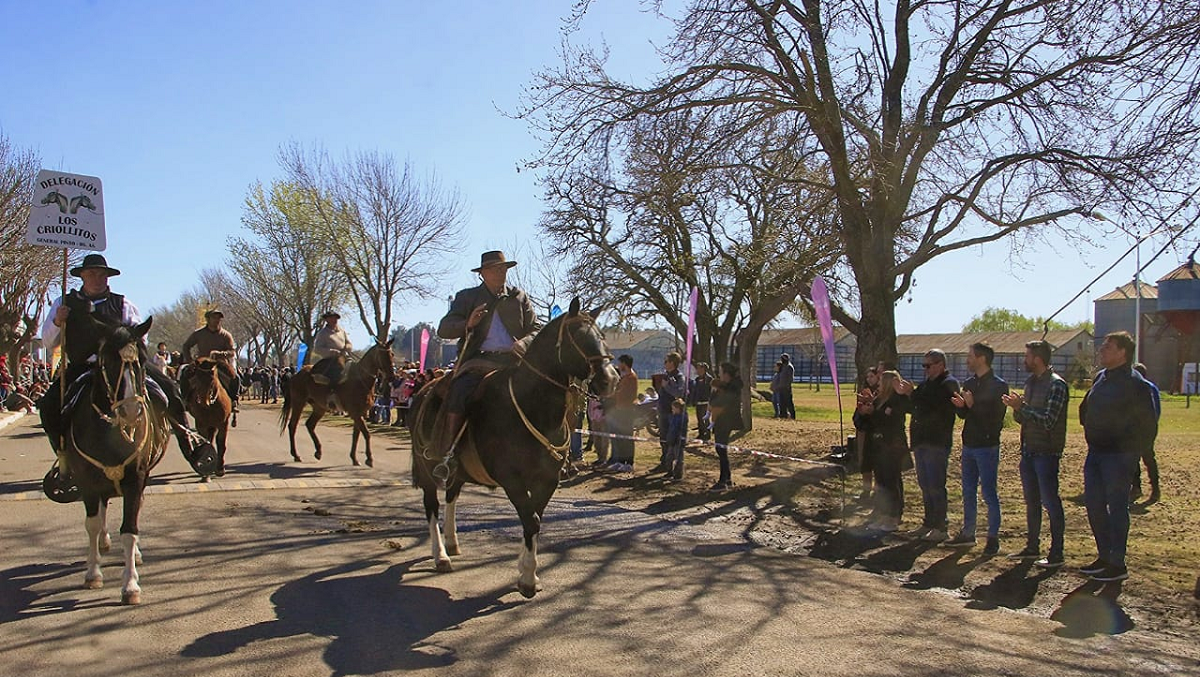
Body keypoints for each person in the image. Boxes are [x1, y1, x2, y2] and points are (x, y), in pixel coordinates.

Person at [37, 254, 202, 466]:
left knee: (168, 391)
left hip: (121, 365)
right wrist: (58, 321)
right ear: (83, 277)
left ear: (108, 277)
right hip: (82, 367)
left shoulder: (123, 304)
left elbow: (140, 336)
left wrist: (125, 344)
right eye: (91, 274)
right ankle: (64, 457)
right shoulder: (64, 303)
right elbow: (49, 342)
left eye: (102, 275)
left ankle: (188, 441)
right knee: (49, 405)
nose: (97, 278)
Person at [432, 250, 540, 482]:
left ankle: (548, 453)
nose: (501, 273)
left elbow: (536, 328)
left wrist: (524, 342)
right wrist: (467, 323)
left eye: (504, 269)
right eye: (496, 269)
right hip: (478, 360)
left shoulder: (519, 297)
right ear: (483, 274)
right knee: (460, 391)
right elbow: (444, 328)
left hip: (514, 361)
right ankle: (449, 453)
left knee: (543, 392)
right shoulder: (467, 297)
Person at [1077, 332, 1158, 582]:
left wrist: (1132, 455)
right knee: (1094, 505)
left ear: (1123, 352)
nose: (1102, 350)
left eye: (1107, 347)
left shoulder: (1136, 384)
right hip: (1096, 453)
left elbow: (1148, 424)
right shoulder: (1101, 378)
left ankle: (1117, 562)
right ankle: (1104, 556)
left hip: (1119, 456)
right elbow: (1085, 408)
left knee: (1117, 508)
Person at [1002, 340, 1070, 569]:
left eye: (1027, 356)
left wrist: (1023, 408)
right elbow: (1024, 418)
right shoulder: (1031, 382)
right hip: (1029, 450)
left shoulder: (1057, 385)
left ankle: (1057, 552)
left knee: (1050, 501)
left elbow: (1049, 420)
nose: (1025, 360)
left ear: (1038, 358)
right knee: (1031, 502)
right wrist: (1017, 408)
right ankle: (1032, 546)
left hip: (1047, 452)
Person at [945, 343, 1009, 555]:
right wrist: (961, 407)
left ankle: (992, 538)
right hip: (969, 443)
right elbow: (966, 416)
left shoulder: (999, 385)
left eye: (970, 356)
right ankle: (968, 532)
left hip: (987, 446)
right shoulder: (970, 382)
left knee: (989, 492)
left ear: (981, 358)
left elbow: (995, 419)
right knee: (967, 491)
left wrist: (973, 405)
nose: (967, 360)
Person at [899, 349, 960, 542]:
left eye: (928, 365)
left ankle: (941, 526)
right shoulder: (926, 385)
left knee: (936, 484)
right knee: (925, 484)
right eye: (923, 366)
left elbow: (932, 406)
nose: (925, 370)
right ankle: (928, 522)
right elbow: (915, 407)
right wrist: (906, 396)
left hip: (936, 442)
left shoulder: (948, 384)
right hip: (921, 441)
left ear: (940, 365)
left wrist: (913, 394)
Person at [858, 370, 912, 532]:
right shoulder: (878, 400)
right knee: (881, 482)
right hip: (878, 446)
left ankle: (893, 516)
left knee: (891, 481)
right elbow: (872, 422)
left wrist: (875, 413)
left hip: (892, 446)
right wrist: (866, 410)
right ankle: (882, 513)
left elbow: (892, 422)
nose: (878, 384)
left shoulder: (896, 400)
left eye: (881, 381)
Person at [180, 308, 240, 422]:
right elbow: (186, 346)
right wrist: (190, 361)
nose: (217, 320)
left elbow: (232, 351)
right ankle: (185, 400)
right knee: (184, 374)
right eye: (214, 317)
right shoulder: (198, 334)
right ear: (207, 319)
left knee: (235, 378)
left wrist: (220, 353)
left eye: (219, 318)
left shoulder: (226, 335)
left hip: (220, 364)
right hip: (201, 364)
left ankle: (234, 400)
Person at [708, 361, 745, 492]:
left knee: (721, 449)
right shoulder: (725, 386)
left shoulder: (732, 388)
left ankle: (723, 481)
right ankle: (727, 478)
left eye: (721, 372)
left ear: (726, 374)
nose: (719, 374)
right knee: (720, 449)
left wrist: (715, 396)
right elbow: (713, 401)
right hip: (721, 421)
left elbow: (720, 402)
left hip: (726, 421)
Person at [649, 351, 687, 474]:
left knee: (672, 440)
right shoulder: (665, 375)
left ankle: (673, 466)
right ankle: (665, 462)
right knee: (663, 438)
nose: (664, 364)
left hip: (673, 414)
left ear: (672, 363)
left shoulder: (679, 377)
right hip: (663, 410)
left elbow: (679, 393)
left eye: (666, 361)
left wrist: (667, 386)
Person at [1130, 363, 1162, 504]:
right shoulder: (1151, 387)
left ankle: (1137, 487)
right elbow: (1157, 410)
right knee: (1148, 459)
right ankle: (1154, 489)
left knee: (1136, 458)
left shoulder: (1140, 387)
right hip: (1148, 428)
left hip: (1140, 428)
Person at [603, 354, 639, 472]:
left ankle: (629, 462)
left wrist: (613, 395)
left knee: (627, 437)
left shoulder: (631, 378)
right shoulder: (623, 378)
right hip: (619, 410)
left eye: (620, 363)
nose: (618, 365)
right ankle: (620, 461)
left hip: (627, 411)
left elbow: (625, 394)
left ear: (624, 364)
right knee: (619, 437)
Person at [854, 367, 882, 503]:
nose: (869, 379)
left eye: (872, 376)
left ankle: (877, 491)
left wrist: (871, 403)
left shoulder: (880, 391)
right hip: (864, 430)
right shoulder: (864, 391)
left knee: (876, 462)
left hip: (876, 431)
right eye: (867, 377)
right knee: (864, 461)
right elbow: (858, 412)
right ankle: (866, 490)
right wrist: (861, 410)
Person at [311, 311, 353, 385]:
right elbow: (317, 348)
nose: (334, 320)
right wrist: (331, 351)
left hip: (345, 357)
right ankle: (333, 391)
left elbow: (349, 343)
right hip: (331, 360)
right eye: (331, 318)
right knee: (335, 373)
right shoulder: (322, 333)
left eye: (335, 318)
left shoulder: (342, 331)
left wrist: (347, 347)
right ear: (327, 320)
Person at [663, 398, 688, 480]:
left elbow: (681, 429)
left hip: (678, 441)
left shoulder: (682, 418)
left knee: (679, 459)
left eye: (673, 409)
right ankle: (669, 472)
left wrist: (680, 438)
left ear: (678, 409)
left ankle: (678, 474)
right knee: (669, 457)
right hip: (671, 440)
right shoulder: (672, 417)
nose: (672, 410)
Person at [690, 362, 713, 441]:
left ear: (704, 369)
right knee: (699, 419)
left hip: (706, 402)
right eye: (697, 368)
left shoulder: (709, 379)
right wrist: (693, 400)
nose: (698, 370)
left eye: (700, 368)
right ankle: (701, 433)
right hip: (698, 402)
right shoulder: (696, 379)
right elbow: (694, 391)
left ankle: (707, 434)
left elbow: (712, 391)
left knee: (705, 419)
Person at [772, 354, 796, 419]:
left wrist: (787, 386)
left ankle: (793, 416)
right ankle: (783, 416)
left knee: (789, 403)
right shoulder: (783, 366)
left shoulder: (789, 367)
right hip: (780, 388)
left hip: (786, 388)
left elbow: (790, 378)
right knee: (782, 403)